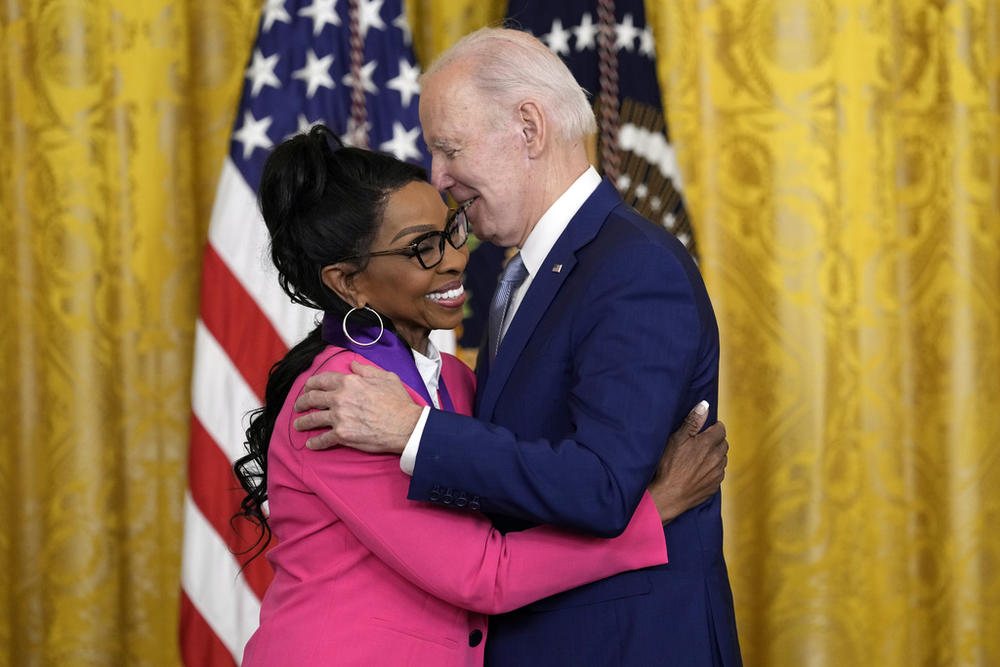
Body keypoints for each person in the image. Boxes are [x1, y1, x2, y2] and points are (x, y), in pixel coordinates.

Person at [292, 28, 742, 666]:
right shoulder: (532, 271)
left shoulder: (632, 269)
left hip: (625, 645)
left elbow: (602, 487)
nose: (441, 179)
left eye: (449, 149)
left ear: (529, 127)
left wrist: (416, 431)